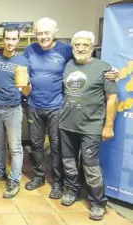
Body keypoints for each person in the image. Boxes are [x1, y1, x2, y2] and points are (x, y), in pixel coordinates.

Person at [23, 18, 119, 199]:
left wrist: (112, 69)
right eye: (40, 33)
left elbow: (87, 59)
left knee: (57, 147)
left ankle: (59, 184)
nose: (43, 37)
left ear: (55, 33)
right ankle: (39, 177)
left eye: (47, 33)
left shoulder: (66, 49)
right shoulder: (30, 50)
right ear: (35, 34)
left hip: (57, 107)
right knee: (35, 144)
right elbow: (18, 64)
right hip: (35, 105)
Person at [59, 31, 117, 221]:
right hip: (66, 124)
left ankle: (98, 202)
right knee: (68, 162)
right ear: (73, 47)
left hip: (91, 126)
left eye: (86, 45)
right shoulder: (68, 65)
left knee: (90, 166)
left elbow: (112, 98)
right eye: (77, 45)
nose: (81, 48)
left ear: (92, 48)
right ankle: (73, 191)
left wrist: (108, 126)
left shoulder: (104, 68)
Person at [0, 26, 31, 198]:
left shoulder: (23, 62)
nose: (10, 42)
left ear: (18, 41)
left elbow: (27, 92)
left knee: (15, 147)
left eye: (14, 39)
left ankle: (14, 179)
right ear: (2, 40)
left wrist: (26, 84)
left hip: (13, 109)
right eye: (7, 39)